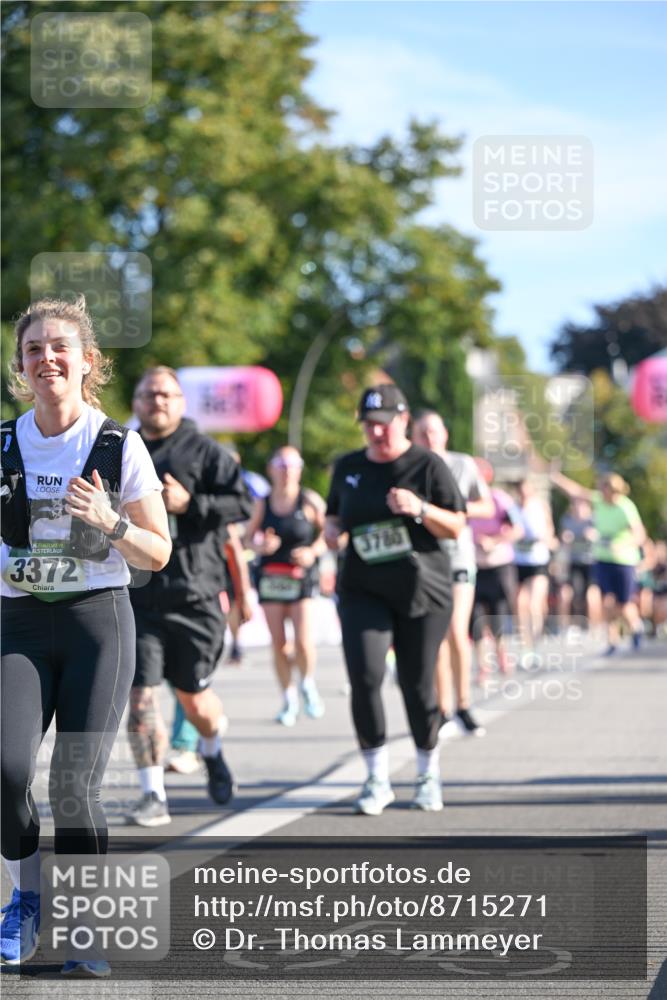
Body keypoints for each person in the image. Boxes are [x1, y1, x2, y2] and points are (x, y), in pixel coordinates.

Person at [0, 297, 170, 973]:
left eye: (59, 347)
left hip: (96, 622)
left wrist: (110, 520)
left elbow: (158, 552)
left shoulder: (118, 445)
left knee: (74, 784)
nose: (46, 359)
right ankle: (25, 900)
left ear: (88, 362)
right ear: (20, 366)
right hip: (18, 621)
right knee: (8, 771)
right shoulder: (3, 443)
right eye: (33, 349)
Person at [325, 385, 466, 815]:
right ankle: (376, 778)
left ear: (404, 420)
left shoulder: (427, 465)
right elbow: (334, 517)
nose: (376, 433)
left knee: (416, 683)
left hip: (422, 591)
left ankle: (427, 772)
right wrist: (331, 532)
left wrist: (420, 509)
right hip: (362, 589)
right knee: (365, 677)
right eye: (368, 425)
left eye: (383, 424)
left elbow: (457, 525)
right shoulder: (349, 466)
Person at [127, 367, 251, 826]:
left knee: (194, 700)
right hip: (138, 595)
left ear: (181, 402)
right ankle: (152, 793)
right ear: (136, 402)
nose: (157, 401)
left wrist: (190, 504)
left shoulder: (205, 451)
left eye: (166, 394)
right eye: (148, 394)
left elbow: (243, 504)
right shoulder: (122, 449)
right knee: (141, 696)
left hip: (194, 596)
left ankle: (212, 749)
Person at [412, 411, 494, 737]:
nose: (429, 438)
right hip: (425, 561)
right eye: (422, 432)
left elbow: (487, 506)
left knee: (456, 631)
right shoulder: (410, 466)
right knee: (434, 636)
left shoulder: (462, 464)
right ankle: (442, 709)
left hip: (458, 558)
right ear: (413, 437)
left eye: (433, 431)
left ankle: (464, 705)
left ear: (444, 433)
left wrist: (455, 508)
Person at [244, 446, 326, 726]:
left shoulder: (309, 500)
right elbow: (246, 539)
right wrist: (260, 546)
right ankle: (288, 698)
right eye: (281, 465)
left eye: (293, 465)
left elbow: (330, 532)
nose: (287, 471)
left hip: (301, 577)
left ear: (300, 470)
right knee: (279, 644)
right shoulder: (262, 503)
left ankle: (307, 683)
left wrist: (312, 552)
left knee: (303, 641)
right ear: (271, 469)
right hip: (271, 578)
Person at [550, 468, 646, 655]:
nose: (602, 492)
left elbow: (639, 534)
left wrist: (624, 545)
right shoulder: (599, 501)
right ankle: (612, 640)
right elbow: (576, 491)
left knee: (623, 604)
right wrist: (557, 478)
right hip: (602, 559)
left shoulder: (625, 507)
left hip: (623, 561)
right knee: (606, 601)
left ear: (614, 490)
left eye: (604, 489)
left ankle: (636, 627)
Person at [468, 460, 523, 681]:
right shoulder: (464, 502)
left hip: (499, 566)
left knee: (497, 615)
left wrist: (494, 541)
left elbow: (518, 530)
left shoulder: (499, 499)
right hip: (473, 567)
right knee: (475, 619)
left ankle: (501, 656)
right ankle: (483, 666)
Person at [513, 479, 557, 666]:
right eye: (521, 492)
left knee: (534, 604)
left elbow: (550, 532)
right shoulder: (513, 508)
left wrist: (544, 539)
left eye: (527, 491)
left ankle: (536, 643)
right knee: (519, 604)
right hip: (519, 562)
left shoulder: (540, 507)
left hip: (538, 561)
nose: (524, 495)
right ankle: (526, 646)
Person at [558, 497, 601, 628]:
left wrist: (593, 535)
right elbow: (562, 538)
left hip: (591, 563)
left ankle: (594, 627)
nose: (578, 510)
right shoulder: (567, 520)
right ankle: (564, 627)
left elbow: (601, 537)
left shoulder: (594, 520)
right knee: (566, 593)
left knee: (592, 594)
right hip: (573, 562)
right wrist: (565, 538)